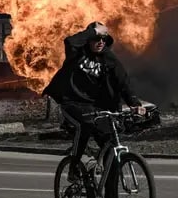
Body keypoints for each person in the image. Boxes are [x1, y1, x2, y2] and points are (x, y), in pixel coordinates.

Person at [42, 20, 144, 174]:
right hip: (72, 103)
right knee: (85, 125)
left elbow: (122, 82)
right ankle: (74, 166)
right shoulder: (76, 53)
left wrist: (134, 103)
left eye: (103, 39)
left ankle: (110, 196)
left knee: (110, 146)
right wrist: (95, 31)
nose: (100, 42)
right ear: (89, 39)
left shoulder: (109, 59)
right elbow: (69, 41)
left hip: (96, 107)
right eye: (97, 39)